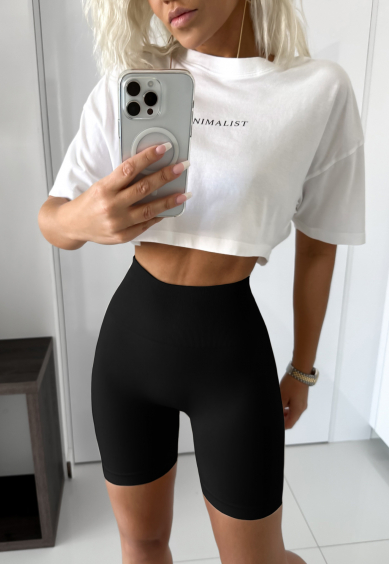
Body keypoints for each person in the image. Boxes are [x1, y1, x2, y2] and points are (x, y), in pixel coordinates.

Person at [38, 0, 366, 562]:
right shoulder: (133, 82)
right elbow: (53, 220)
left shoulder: (318, 90)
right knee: (142, 545)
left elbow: (319, 244)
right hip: (128, 354)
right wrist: (84, 220)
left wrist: (302, 368)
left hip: (231, 363)